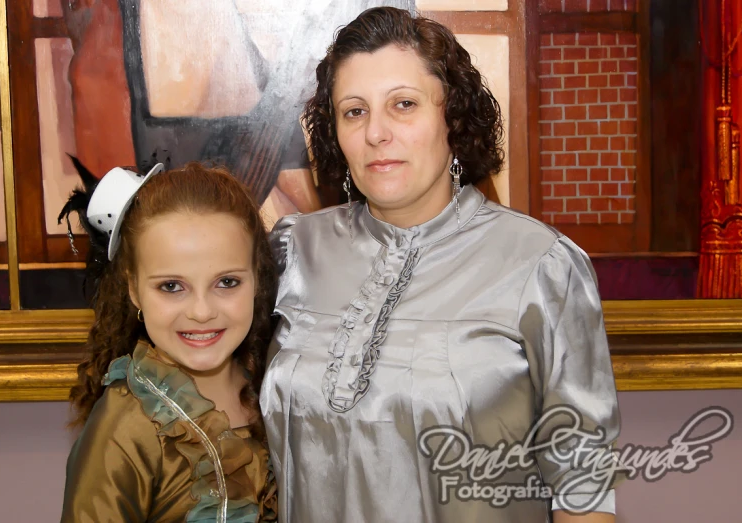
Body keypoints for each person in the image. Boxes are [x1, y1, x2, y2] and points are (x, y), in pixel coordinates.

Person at [261, 7, 622, 523]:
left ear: (451, 118)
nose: (377, 133)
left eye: (403, 105)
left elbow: (582, 488)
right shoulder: (294, 250)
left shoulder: (541, 265)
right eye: (354, 111)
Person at [58, 159, 278, 522]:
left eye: (227, 282)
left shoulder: (275, 389)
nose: (202, 311)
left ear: (257, 279)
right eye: (172, 287)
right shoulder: (126, 427)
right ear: (133, 289)